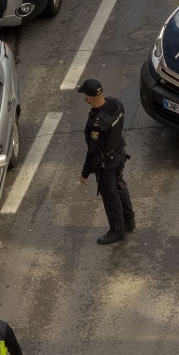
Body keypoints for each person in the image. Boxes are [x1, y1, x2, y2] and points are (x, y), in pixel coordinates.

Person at [77, 78, 135, 245]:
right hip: (119, 154)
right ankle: (129, 221)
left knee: (110, 196)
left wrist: (85, 173)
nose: (84, 98)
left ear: (88, 97)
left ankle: (117, 231)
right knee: (120, 187)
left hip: (107, 164)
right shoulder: (115, 104)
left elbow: (93, 152)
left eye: (85, 94)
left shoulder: (98, 124)